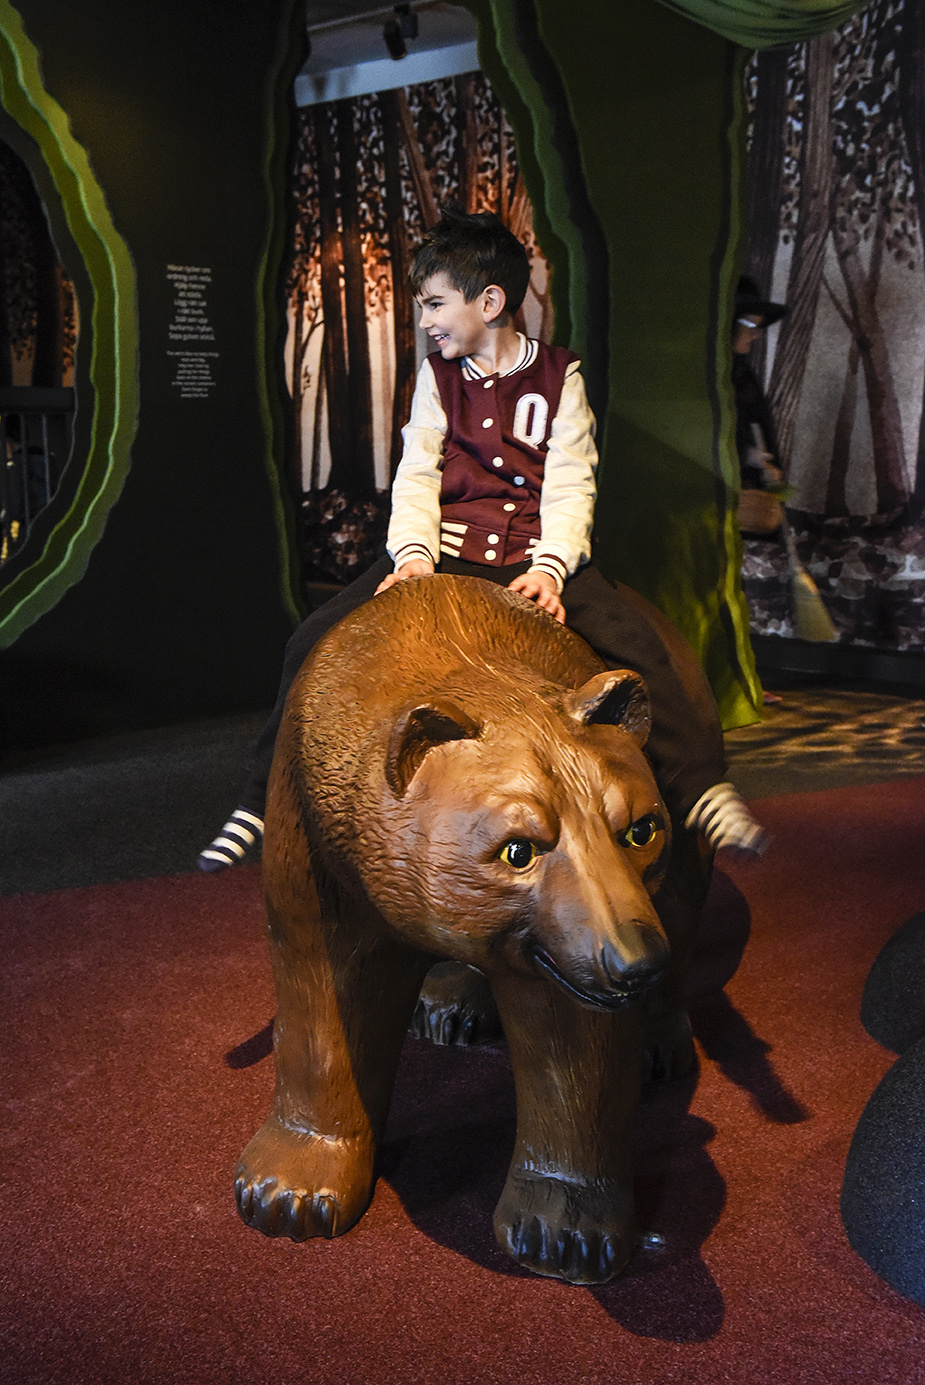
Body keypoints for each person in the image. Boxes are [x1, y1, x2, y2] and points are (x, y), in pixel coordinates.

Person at [199, 209, 767, 872]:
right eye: (422, 306)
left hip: (529, 552)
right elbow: (416, 473)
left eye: (436, 303)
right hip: (442, 549)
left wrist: (552, 569)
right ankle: (257, 802)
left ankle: (702, 787)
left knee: (639, 644)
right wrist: (412, 554)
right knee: (308, 639)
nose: (426, 319)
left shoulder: (561, 376)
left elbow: (569, 480)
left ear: (490, 302)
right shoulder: (437, 381)